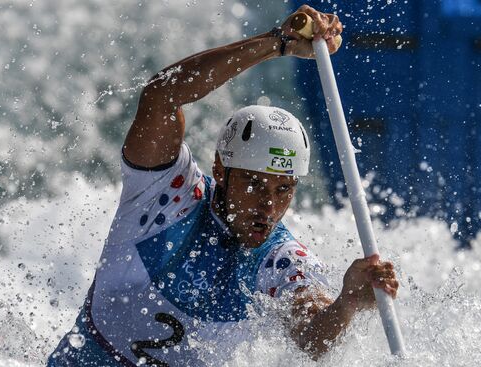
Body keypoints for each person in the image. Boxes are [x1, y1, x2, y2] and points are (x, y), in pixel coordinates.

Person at [48, 4, 399, 366]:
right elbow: (161, 95)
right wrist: (276, 43)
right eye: (253, 184)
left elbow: (310, 337)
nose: (268, 205)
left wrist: (347, 304)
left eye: (283, 190)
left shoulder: (282, 260)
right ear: (220, 169)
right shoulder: (168, 194)